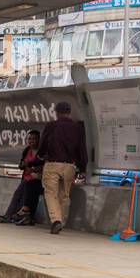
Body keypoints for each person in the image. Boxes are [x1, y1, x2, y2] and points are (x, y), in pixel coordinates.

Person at [38, 100, 87, 235]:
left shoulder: (51, 126)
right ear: (69, 112)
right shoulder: (78, 128)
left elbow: (43, 144)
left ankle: (56, 220)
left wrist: (40, 155)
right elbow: (82, 149)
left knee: (50, 193)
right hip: (70, 166)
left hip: (53, 164)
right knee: (64, 195)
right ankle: (61, 221)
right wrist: (82, 168)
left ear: (57, 112)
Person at [0, 130, 43, 226]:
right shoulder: (27, 150)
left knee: (23, 198)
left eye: (34, 139)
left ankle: (11, 217)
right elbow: (21, 164)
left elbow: (43, 165)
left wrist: (33, 167)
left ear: (39, 140)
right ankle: (9, 216)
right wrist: (23, 165)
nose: (31, 141)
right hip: (27, 178)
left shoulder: (42, 152)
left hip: (37, 179)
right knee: (18, 195)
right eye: (29, 139)